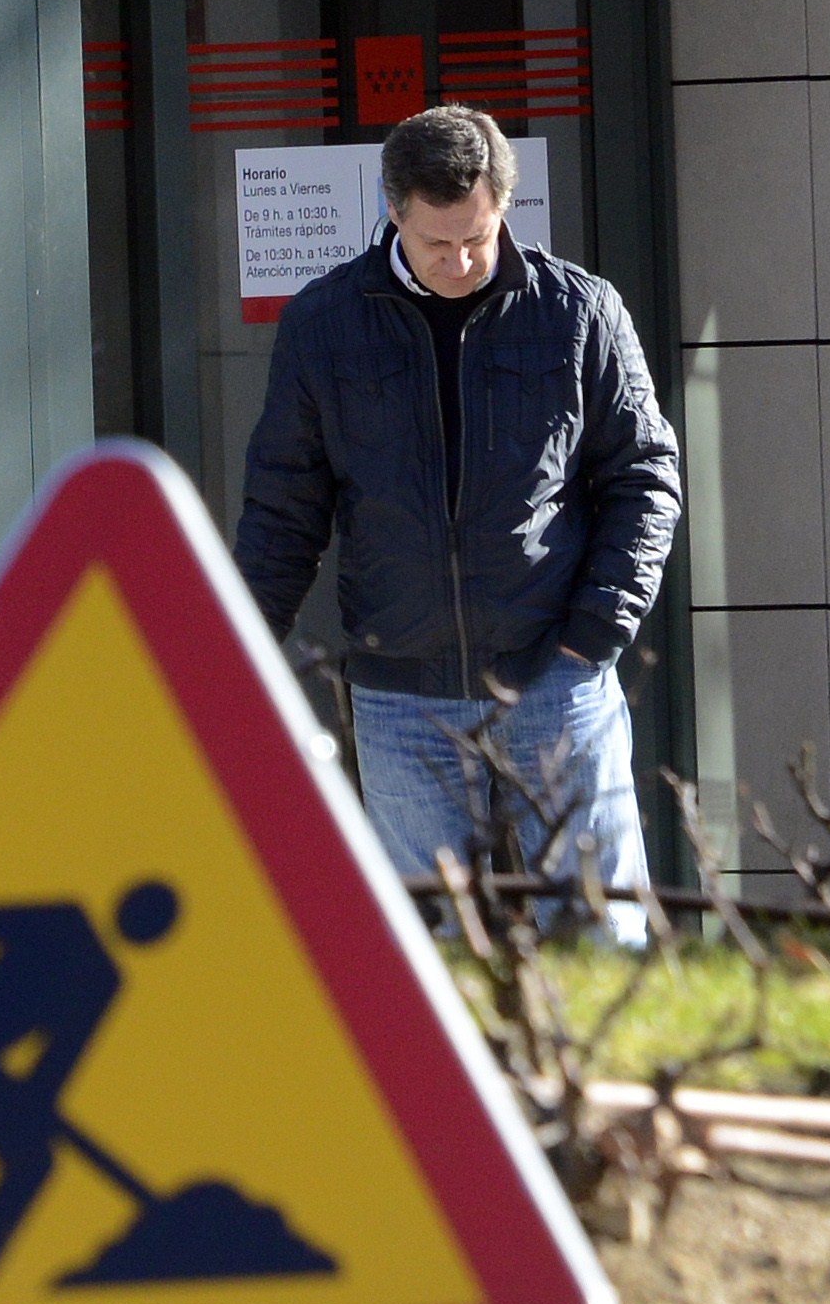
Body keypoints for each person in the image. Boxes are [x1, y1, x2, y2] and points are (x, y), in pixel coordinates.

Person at [236, 104, 681, 938]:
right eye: (438, 242)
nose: (462, 259)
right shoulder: (324, 325)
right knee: (433, 950)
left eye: (478, 235)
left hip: (559, 673)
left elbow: (645, 477)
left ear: (503, 207)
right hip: (401, 692)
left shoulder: (579, 312)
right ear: (392, 212)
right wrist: (246, 646)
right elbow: (284, 507)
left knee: (598, 932)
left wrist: (598, 627)